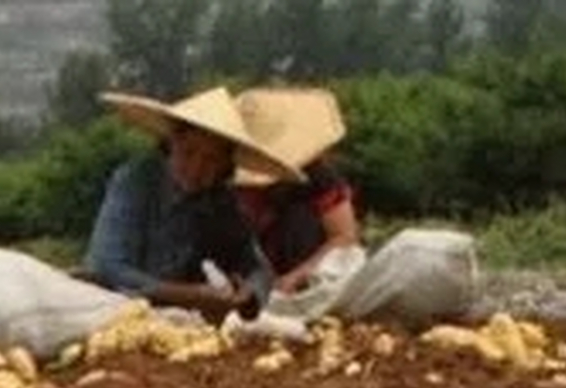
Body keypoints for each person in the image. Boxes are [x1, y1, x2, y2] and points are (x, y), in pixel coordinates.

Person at [83, 86, 303, 324]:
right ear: (171, 144)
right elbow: (107, 268)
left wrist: (247, 295)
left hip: (181, 323)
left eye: (211, 160)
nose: (197, 169)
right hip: (113, 313)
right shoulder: (135, 181)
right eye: (188, 153)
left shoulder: (219, 199)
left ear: (224, 168)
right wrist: (190, 295)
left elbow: (257, 267)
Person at [233, 87, 361, 296]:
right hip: (252, 277)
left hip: (309, 274)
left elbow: (344, 237)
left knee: (299, 219)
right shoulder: (225, 173)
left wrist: (296, 276)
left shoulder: (317, 176)